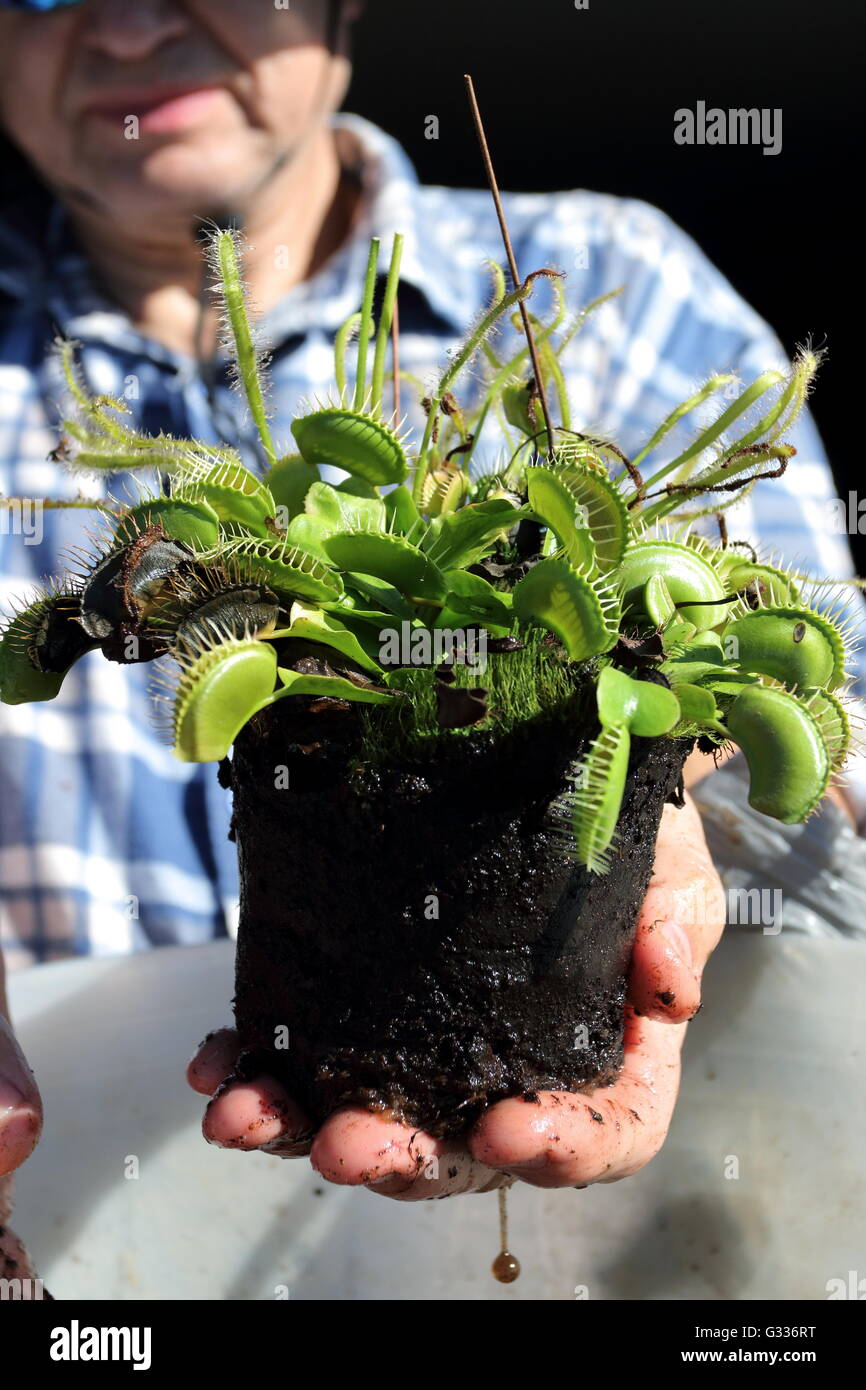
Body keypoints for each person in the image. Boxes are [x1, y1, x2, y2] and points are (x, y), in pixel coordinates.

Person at [0, 0, 860, 1265]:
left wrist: (670, 774)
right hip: (102, 1204)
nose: (128, 26)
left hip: (640, 1231)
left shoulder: (611, 281)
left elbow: (832, 733)